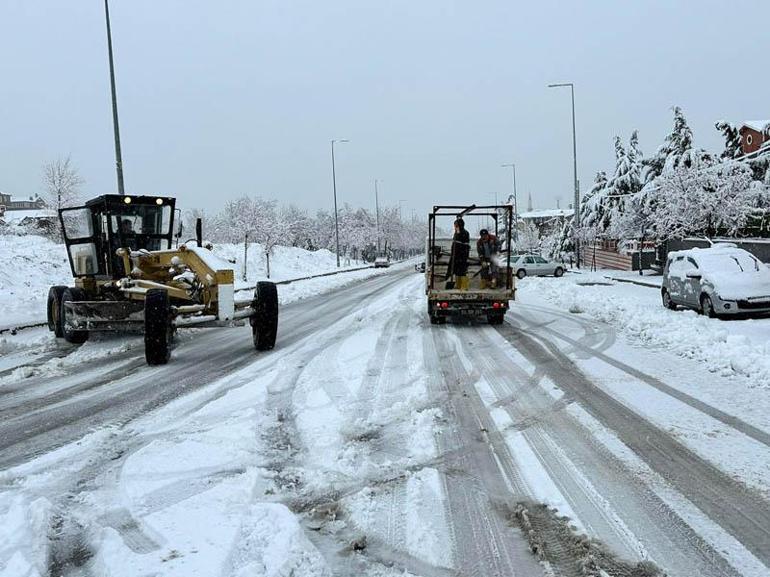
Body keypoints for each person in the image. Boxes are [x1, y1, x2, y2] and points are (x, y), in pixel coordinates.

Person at [447, 218, 470, 290]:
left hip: (461, 255)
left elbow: (463, 243)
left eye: (456, 225)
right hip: (456, 255)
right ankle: (458, 285)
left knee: (462, 270)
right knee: (456, 270)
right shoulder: (457, 232)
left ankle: (464, 286)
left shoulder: (464, 232)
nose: (455, 227)